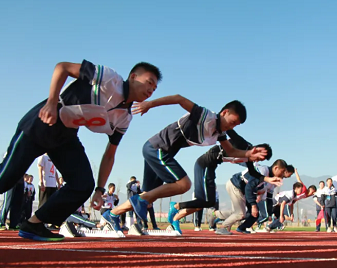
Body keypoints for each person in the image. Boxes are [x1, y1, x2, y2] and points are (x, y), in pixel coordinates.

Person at [0, 60, 162, 241]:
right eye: (149, 82)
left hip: (66, 136)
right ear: (133, 76)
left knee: (83, 184)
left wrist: (100, 188)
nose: (151, 90)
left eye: (154, 88)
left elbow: (110, 153)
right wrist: (50, 103)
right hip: (44, 120)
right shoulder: (108, 77)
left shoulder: (125, 117)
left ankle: (34, 224)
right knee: (5, 179)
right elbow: (63, 67)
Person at [103, 96, 268, 235]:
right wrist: (148, 104)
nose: (231, 127)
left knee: (149, 193)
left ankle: (112, 215)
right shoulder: (205, 115)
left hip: (162, 152)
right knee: (183, 184)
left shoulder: (219, 132)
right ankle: (137, 202)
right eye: (232, 122)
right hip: (157, 148)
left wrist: (248, 154)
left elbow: (230, 150)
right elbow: (178, 98)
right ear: (224, 112)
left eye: (235, 126)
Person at [168, 129, 276, 234]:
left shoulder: (248, 158)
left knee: (206, 202)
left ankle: (176, 216)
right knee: (205, 201)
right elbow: (232, 133)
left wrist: (268, 179)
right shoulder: (244, 145)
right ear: (257, 149)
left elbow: (253, 172)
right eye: (259, 158)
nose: (257, 161)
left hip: (210, 167)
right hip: (205, 164)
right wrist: (220, 125)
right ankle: (176, 208)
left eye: (260, 161)